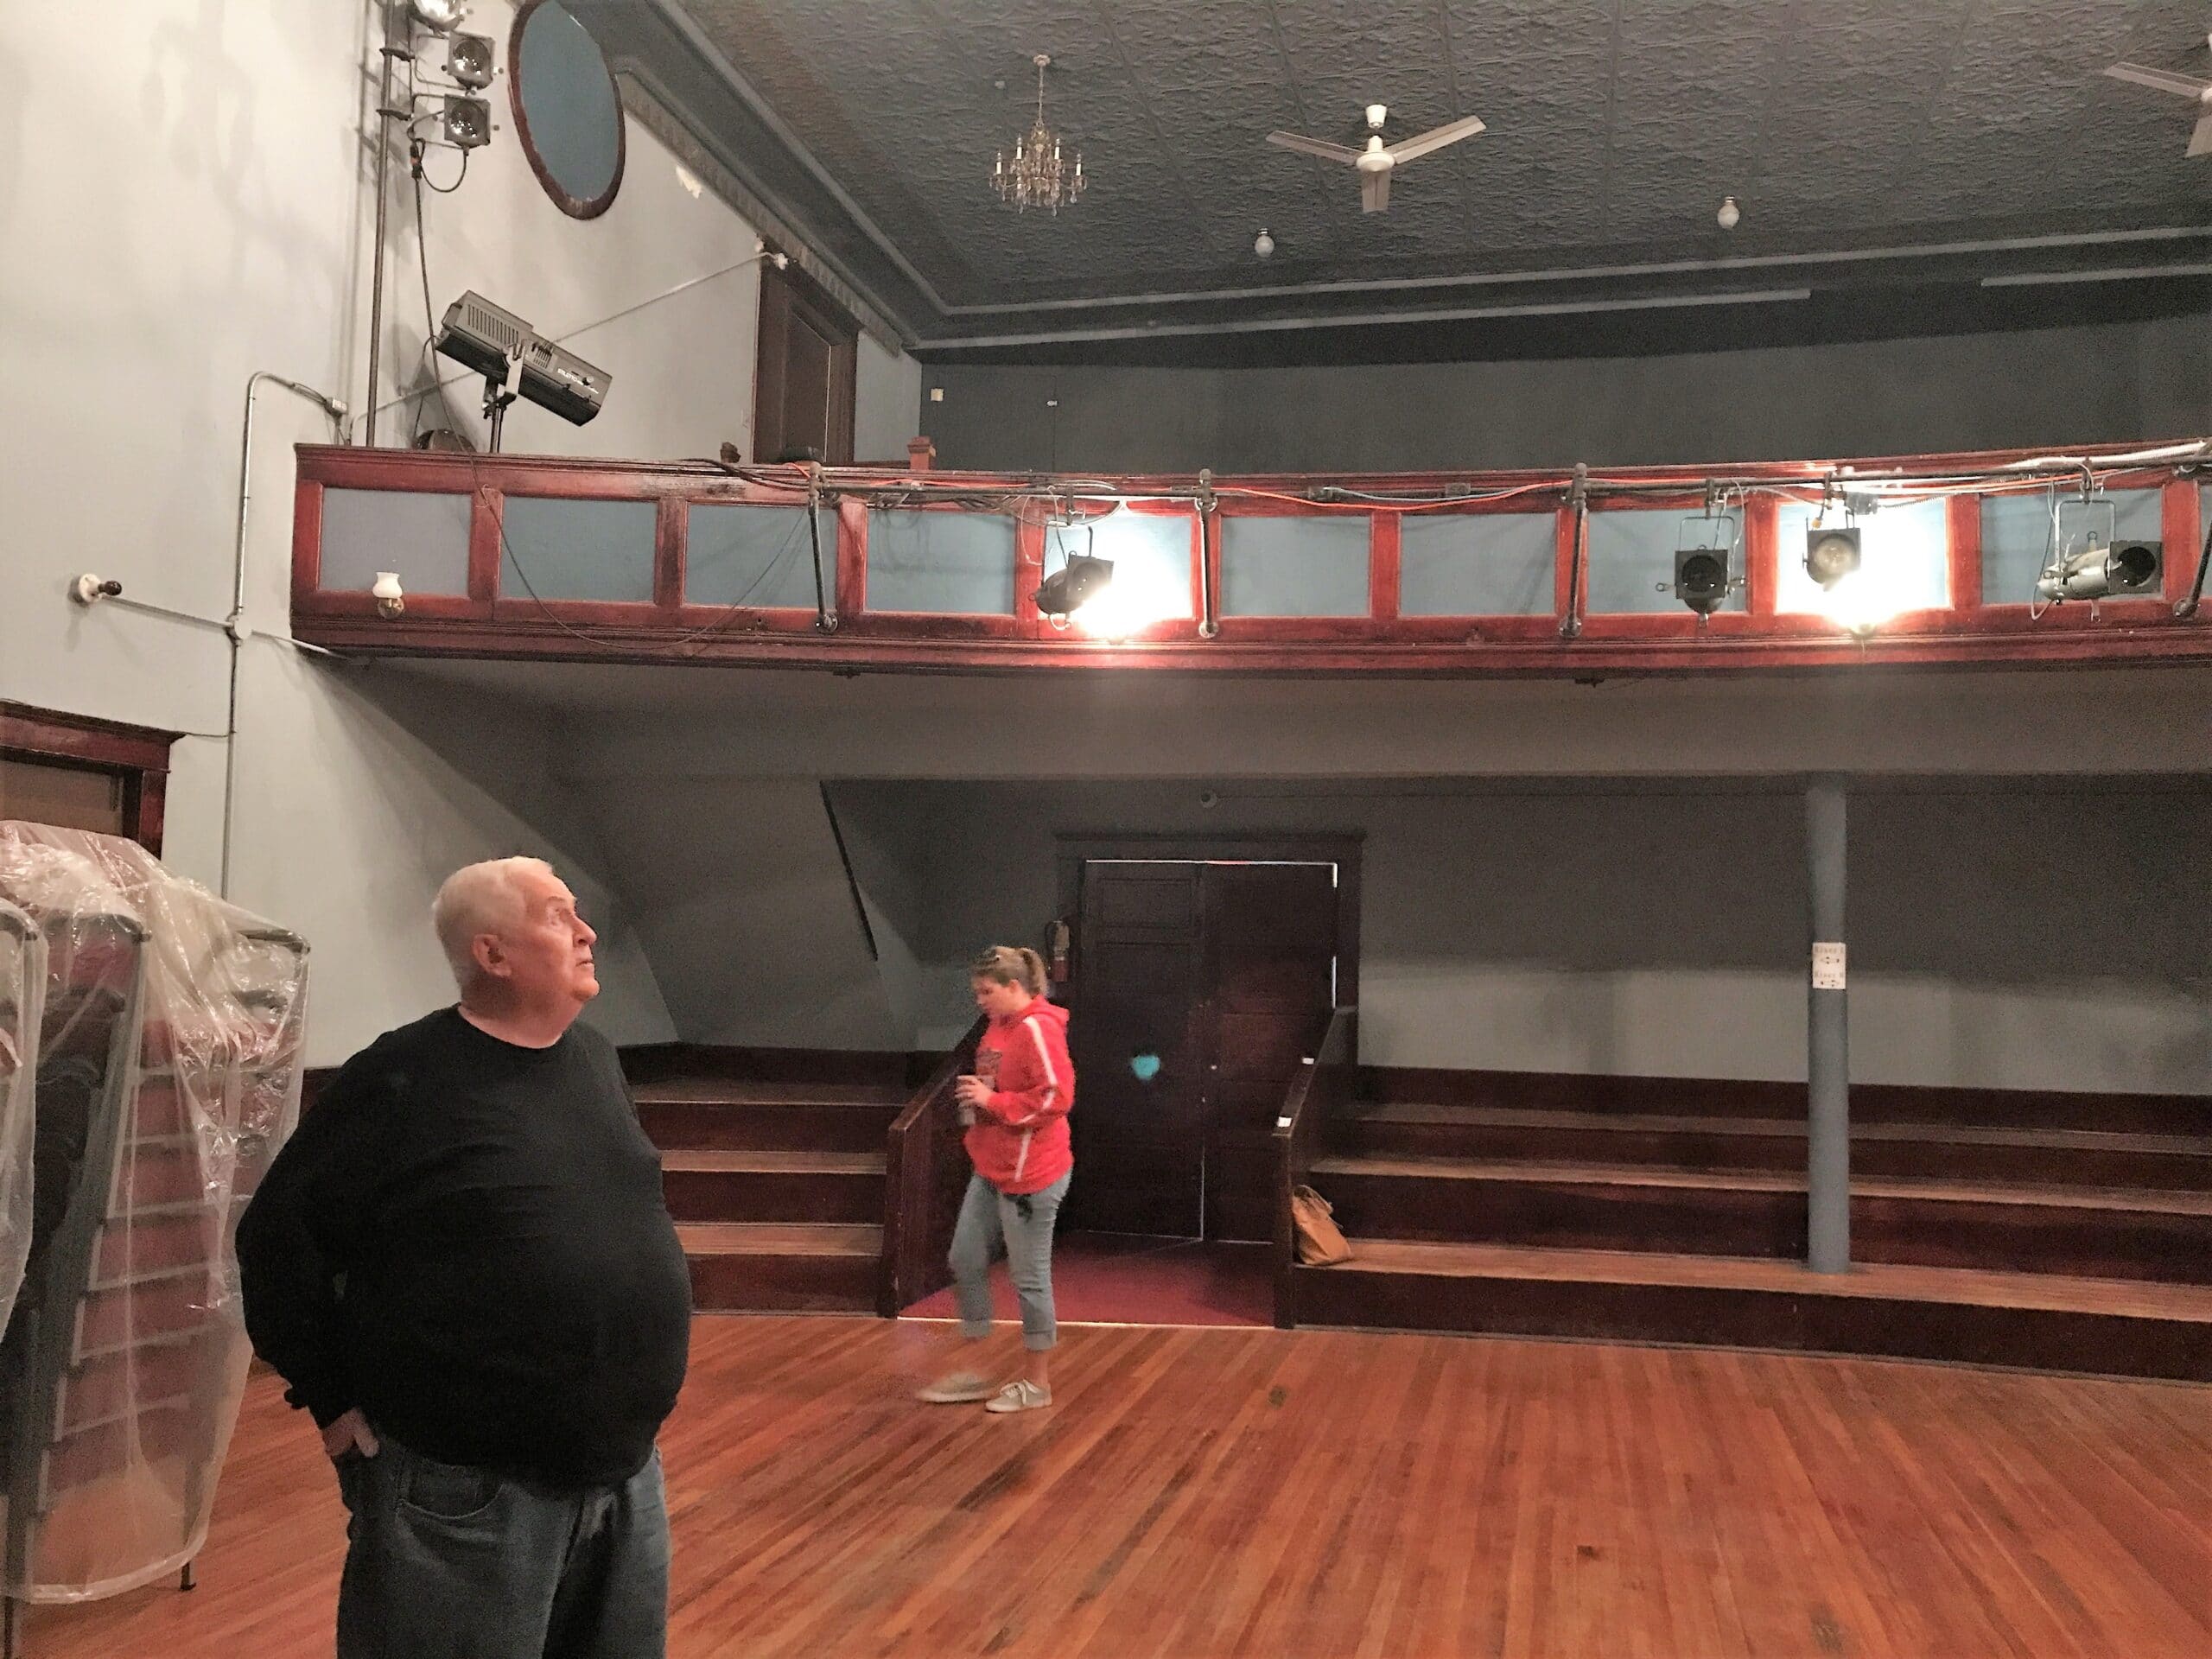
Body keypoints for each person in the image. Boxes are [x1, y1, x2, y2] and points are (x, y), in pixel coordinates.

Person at [237, 857, 692, 1659]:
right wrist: (331, 1401)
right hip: (464, 1494)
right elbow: (277, 1238)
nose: (587, 933)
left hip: (624, 1475)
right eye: (558, 915)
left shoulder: (594, 1059)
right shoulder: (403, 1077)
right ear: (493, 953)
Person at [918, 944, 1075, 1414]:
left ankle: (1037, 1384)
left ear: (1013, 987)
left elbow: (1057, 1097)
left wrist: (993, 1103)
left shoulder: (1038, 1029)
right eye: (977, 992)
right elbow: (998, 1083)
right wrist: (981, 1101)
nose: (979, 1000)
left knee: (1029, 1278)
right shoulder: (999, 1025)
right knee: (965, 1257)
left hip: (1032, 1175)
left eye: (986, 991)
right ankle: (975, 1369)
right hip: (992, 1166)